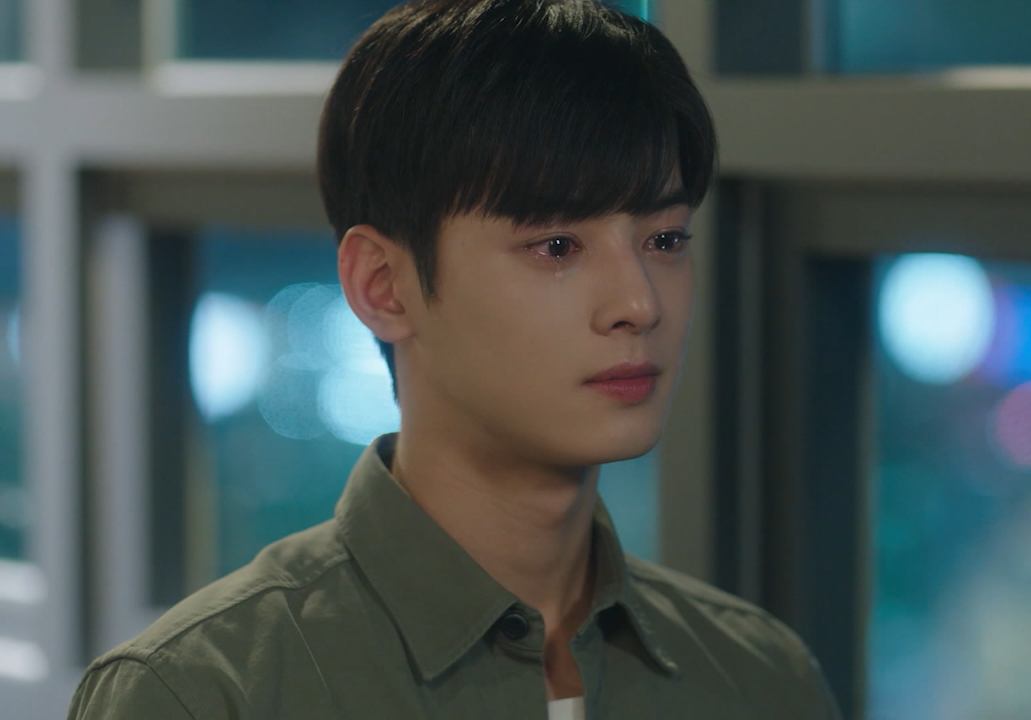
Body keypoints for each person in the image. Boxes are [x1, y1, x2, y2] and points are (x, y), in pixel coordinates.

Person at [67, 1, 842, 717]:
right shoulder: (203, 692)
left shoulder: (759, 679)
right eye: (557, 246)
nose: (639, 303)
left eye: (665, 239)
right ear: (383, 286)